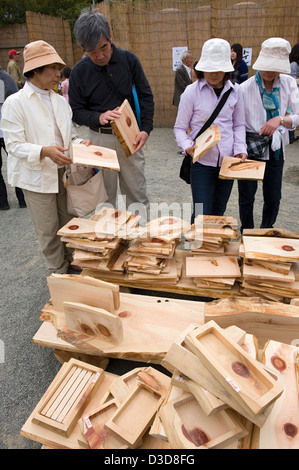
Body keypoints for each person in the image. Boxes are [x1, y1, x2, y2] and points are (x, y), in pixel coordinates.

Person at [1, 40, 91, 274]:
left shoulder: (60, 101)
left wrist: (81, 143)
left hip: (62, 172)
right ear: (35, 71)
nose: (57, 74)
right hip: (36, 176)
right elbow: (13, 145)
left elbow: (69, 135)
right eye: (51, 68)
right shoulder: (15, 103)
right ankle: (58, 271)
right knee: (48, 230)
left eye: (58, 68)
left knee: (68, 222)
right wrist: (44, 151)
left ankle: (71, 262)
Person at [69, 8, 154, 221]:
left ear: (110, 37)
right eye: (92, 52)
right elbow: (76, 111)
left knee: (136, 193)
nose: (100, 56)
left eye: (103, 48)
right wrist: (98, 117)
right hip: (98, 139)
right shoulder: (79, 71)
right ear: (83, 49)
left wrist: (145, 129)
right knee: (103, 199)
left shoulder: (129, 60)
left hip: (131, 135)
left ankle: (140, 243)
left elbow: (145, 96)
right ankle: (107, 246)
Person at [174, 38, 247, 221]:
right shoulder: (191, 92)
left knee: (219, 210)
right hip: (201, 162)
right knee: (201, 212)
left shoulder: (236, 92)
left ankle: (212, 248)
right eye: (210, 69)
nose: (214, 74)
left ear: (227, 68)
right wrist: (187, 146)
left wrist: (240, 149)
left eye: (218, 69)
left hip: (227, 162)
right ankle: (196, 247)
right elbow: (180, 128)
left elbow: (238, 125)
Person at [238, 37, 299, 232]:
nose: (267, 72)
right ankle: (247, 230)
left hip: (275, 148)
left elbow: (297, 115)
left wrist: (280, 119)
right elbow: (238, 123)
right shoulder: (244, 88)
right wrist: (240, 149)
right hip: (250, 147)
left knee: (273, 196)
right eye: (264, 67)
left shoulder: (289, 84)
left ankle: (266, 230)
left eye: (273, 68)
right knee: (247, 195)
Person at [0, 66, 26, 209]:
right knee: (17, 161)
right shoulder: (7, 78)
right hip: (7, 130)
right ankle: (22, 200)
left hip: (6, 130)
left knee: (17, 161)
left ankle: (3, 202)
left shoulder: (5, 79)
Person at [288, 43, 299, 143]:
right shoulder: (294, 65)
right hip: (293, 93)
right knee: (290, 112)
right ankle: (290, 136)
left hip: (295, 93)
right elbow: (293, 81)